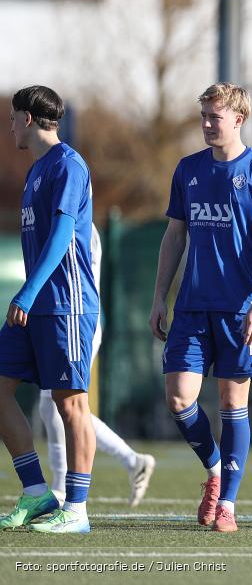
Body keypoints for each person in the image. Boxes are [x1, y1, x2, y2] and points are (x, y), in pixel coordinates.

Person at [149, 82, 252, 533]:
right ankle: (215, 470)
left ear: (239, 119)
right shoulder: (188, 169)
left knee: (232, 402)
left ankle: (226, 502)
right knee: (178, 397)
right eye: (204, 115)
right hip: (191, 307)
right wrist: (159, 297)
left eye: (215, 117)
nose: (207, 124)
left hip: (240, 309)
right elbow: (175, 235)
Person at [0, 85, 98, 533]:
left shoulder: (67, 165)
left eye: (12, 118)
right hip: (38, 304)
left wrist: (26, 292)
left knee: (69, 403)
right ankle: (37, 492)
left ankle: (76, 509)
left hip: (64, 305)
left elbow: (61, 239)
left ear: (26, 118)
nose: (9, 127)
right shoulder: (37, 169)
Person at [39, 224, 155, 507]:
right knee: (55, 404)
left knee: (62, 404)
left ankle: (62, 487)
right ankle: (132, 461)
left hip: (80, 323)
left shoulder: (78, 222)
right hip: (64, 320)